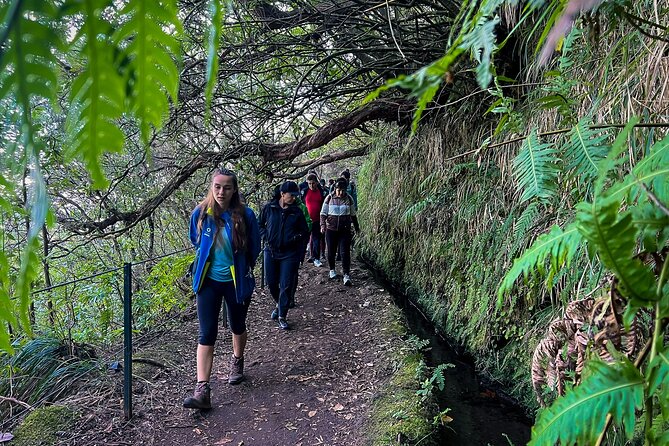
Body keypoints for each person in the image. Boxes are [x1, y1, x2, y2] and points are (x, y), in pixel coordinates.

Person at [184, 168, 261, 410]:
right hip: (208, 281)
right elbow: (196, 240)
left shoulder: (245, 215)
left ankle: (237, 360)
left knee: (238, 325)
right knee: (206, 333)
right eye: (217, 186)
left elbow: (255, 249)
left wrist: (242, 267)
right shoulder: (201, 213)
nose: (221, 192)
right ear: (211, 187)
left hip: (235, 280)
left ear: (234, 189)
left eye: (227, 187)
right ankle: (202, 389)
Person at [259, 181, 310, 330]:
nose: (293, 198)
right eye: (291, 195)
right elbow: (259, 224)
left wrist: (296, 240)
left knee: (286, 284)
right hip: (271, 251)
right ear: (282, 194)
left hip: (290, 253)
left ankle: (282, 315)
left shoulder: (297, 212)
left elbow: (305, 231)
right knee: (271, 282)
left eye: (295, 195)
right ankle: (278, 304)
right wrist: (265, 236)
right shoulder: (269, 208)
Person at [320, 178, 360, 286]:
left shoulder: (349, 199)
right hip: (331, 229)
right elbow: (323, 213)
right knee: (331, 251)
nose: (341, 193)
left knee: (344, 252)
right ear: (335, 189)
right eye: (339, 190)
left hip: (345, 230)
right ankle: (332, 270)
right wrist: (322, 225)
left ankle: (346, 274)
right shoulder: (329, 198)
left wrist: (357, 228)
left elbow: (353, 215)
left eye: (343, 190)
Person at [302, 173, 327, 267]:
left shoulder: (321, 192)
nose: (311, 185)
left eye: (313, 183)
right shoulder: (304, 192)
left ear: (316, 182)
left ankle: (316, 258)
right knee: (304, 239)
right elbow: (301, 205)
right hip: (306, 221)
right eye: (309, 183)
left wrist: (324, 220)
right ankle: (301, 258)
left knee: (316, 239)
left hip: (317, 220)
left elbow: (324, 207)